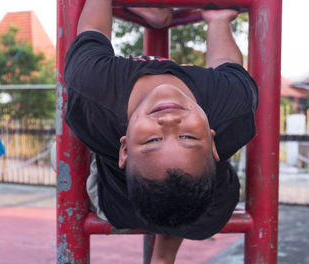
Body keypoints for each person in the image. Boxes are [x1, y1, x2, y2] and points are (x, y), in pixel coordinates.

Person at [64, 1, 258, 263]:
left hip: (115, 203)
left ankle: (155, 14)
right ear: (213, 141)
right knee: (190, 196)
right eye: (188, 137)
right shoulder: (231, 107)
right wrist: (219, 20)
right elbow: (225, 63)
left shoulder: (94, 88)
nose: (169, 122)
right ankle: (164, 255)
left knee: (62, 150)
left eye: (153, 139)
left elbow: (93, 28)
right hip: (207, 213)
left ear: (124, 148)